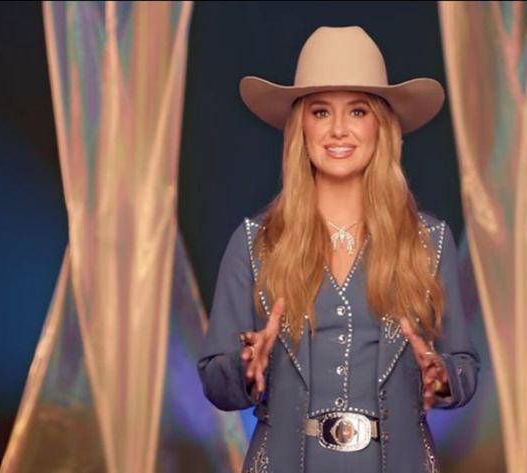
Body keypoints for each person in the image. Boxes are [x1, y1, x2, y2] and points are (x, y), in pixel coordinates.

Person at [198, 25, 480, 473]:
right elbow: (215, 382)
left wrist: (442, 376)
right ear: (301, 127)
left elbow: (464, 365)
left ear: (381, 125)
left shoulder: (430, 242)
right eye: (321, 112)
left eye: (358, 111)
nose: (338, 130)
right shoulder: (255, 242)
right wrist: (246, 366)